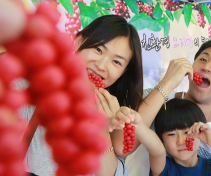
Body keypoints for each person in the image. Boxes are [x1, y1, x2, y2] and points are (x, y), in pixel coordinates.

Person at [121, 38, 211, 176]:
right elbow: (122, 146)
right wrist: (168, 82)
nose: (207, 67)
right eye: (203, 59)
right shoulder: (155, 98)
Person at [22, 15, 143, 176]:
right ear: (78, 41)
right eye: (99, 50)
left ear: (124, 71)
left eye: (116, 62)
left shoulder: (114, 113)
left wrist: (103, 129)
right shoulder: (33, 84)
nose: (101, 65)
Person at [111, 99, 211, 176]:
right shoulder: (165, 168)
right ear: (162, 140)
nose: (181, 142)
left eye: (187, 132)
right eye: (171, 134)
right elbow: (156, 149)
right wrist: (138, 124)